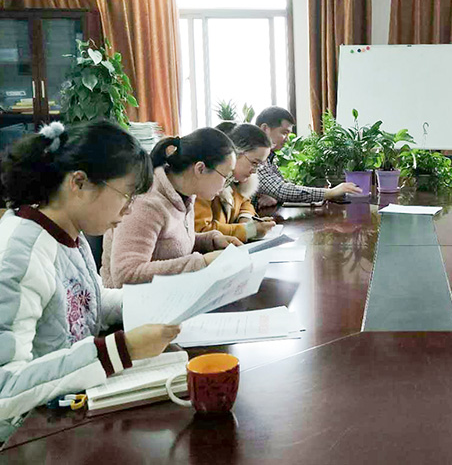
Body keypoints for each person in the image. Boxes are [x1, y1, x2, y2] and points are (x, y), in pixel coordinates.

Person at [0, 120, 179, 437]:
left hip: (69, 408)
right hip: (26, 435)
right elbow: (5, 389)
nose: (128, 210)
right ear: (79, 183)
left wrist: (157, 302)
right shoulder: (20, 255)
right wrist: (121, 349)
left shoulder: (68, 231)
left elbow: (87, 300)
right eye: (126, 195)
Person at [101, 128, 242, 288]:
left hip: (168, 294)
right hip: (129, 301)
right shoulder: (145, 203)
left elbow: (168, 244)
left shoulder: (185, 195)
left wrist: (210, 241)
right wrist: (201, 263)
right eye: (226, 176)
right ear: (200, 169)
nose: (226, 184)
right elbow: (126, 275)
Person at [253, 107, 361, 209]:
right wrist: (331, 192)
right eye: (284, 133)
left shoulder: (268, 157)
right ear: (265, 129)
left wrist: (275, 196)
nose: (287, 139)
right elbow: (281, 190)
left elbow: (280, 187)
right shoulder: (253, 154)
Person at [195, 123, 276, 243]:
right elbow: (201, 231)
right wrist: (248, 230)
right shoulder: (206, 181)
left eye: (260, 165)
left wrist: (246, 219)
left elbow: (245, 202)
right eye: (254, 163)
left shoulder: (236, 181)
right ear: (235, 153)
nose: (255, 171)